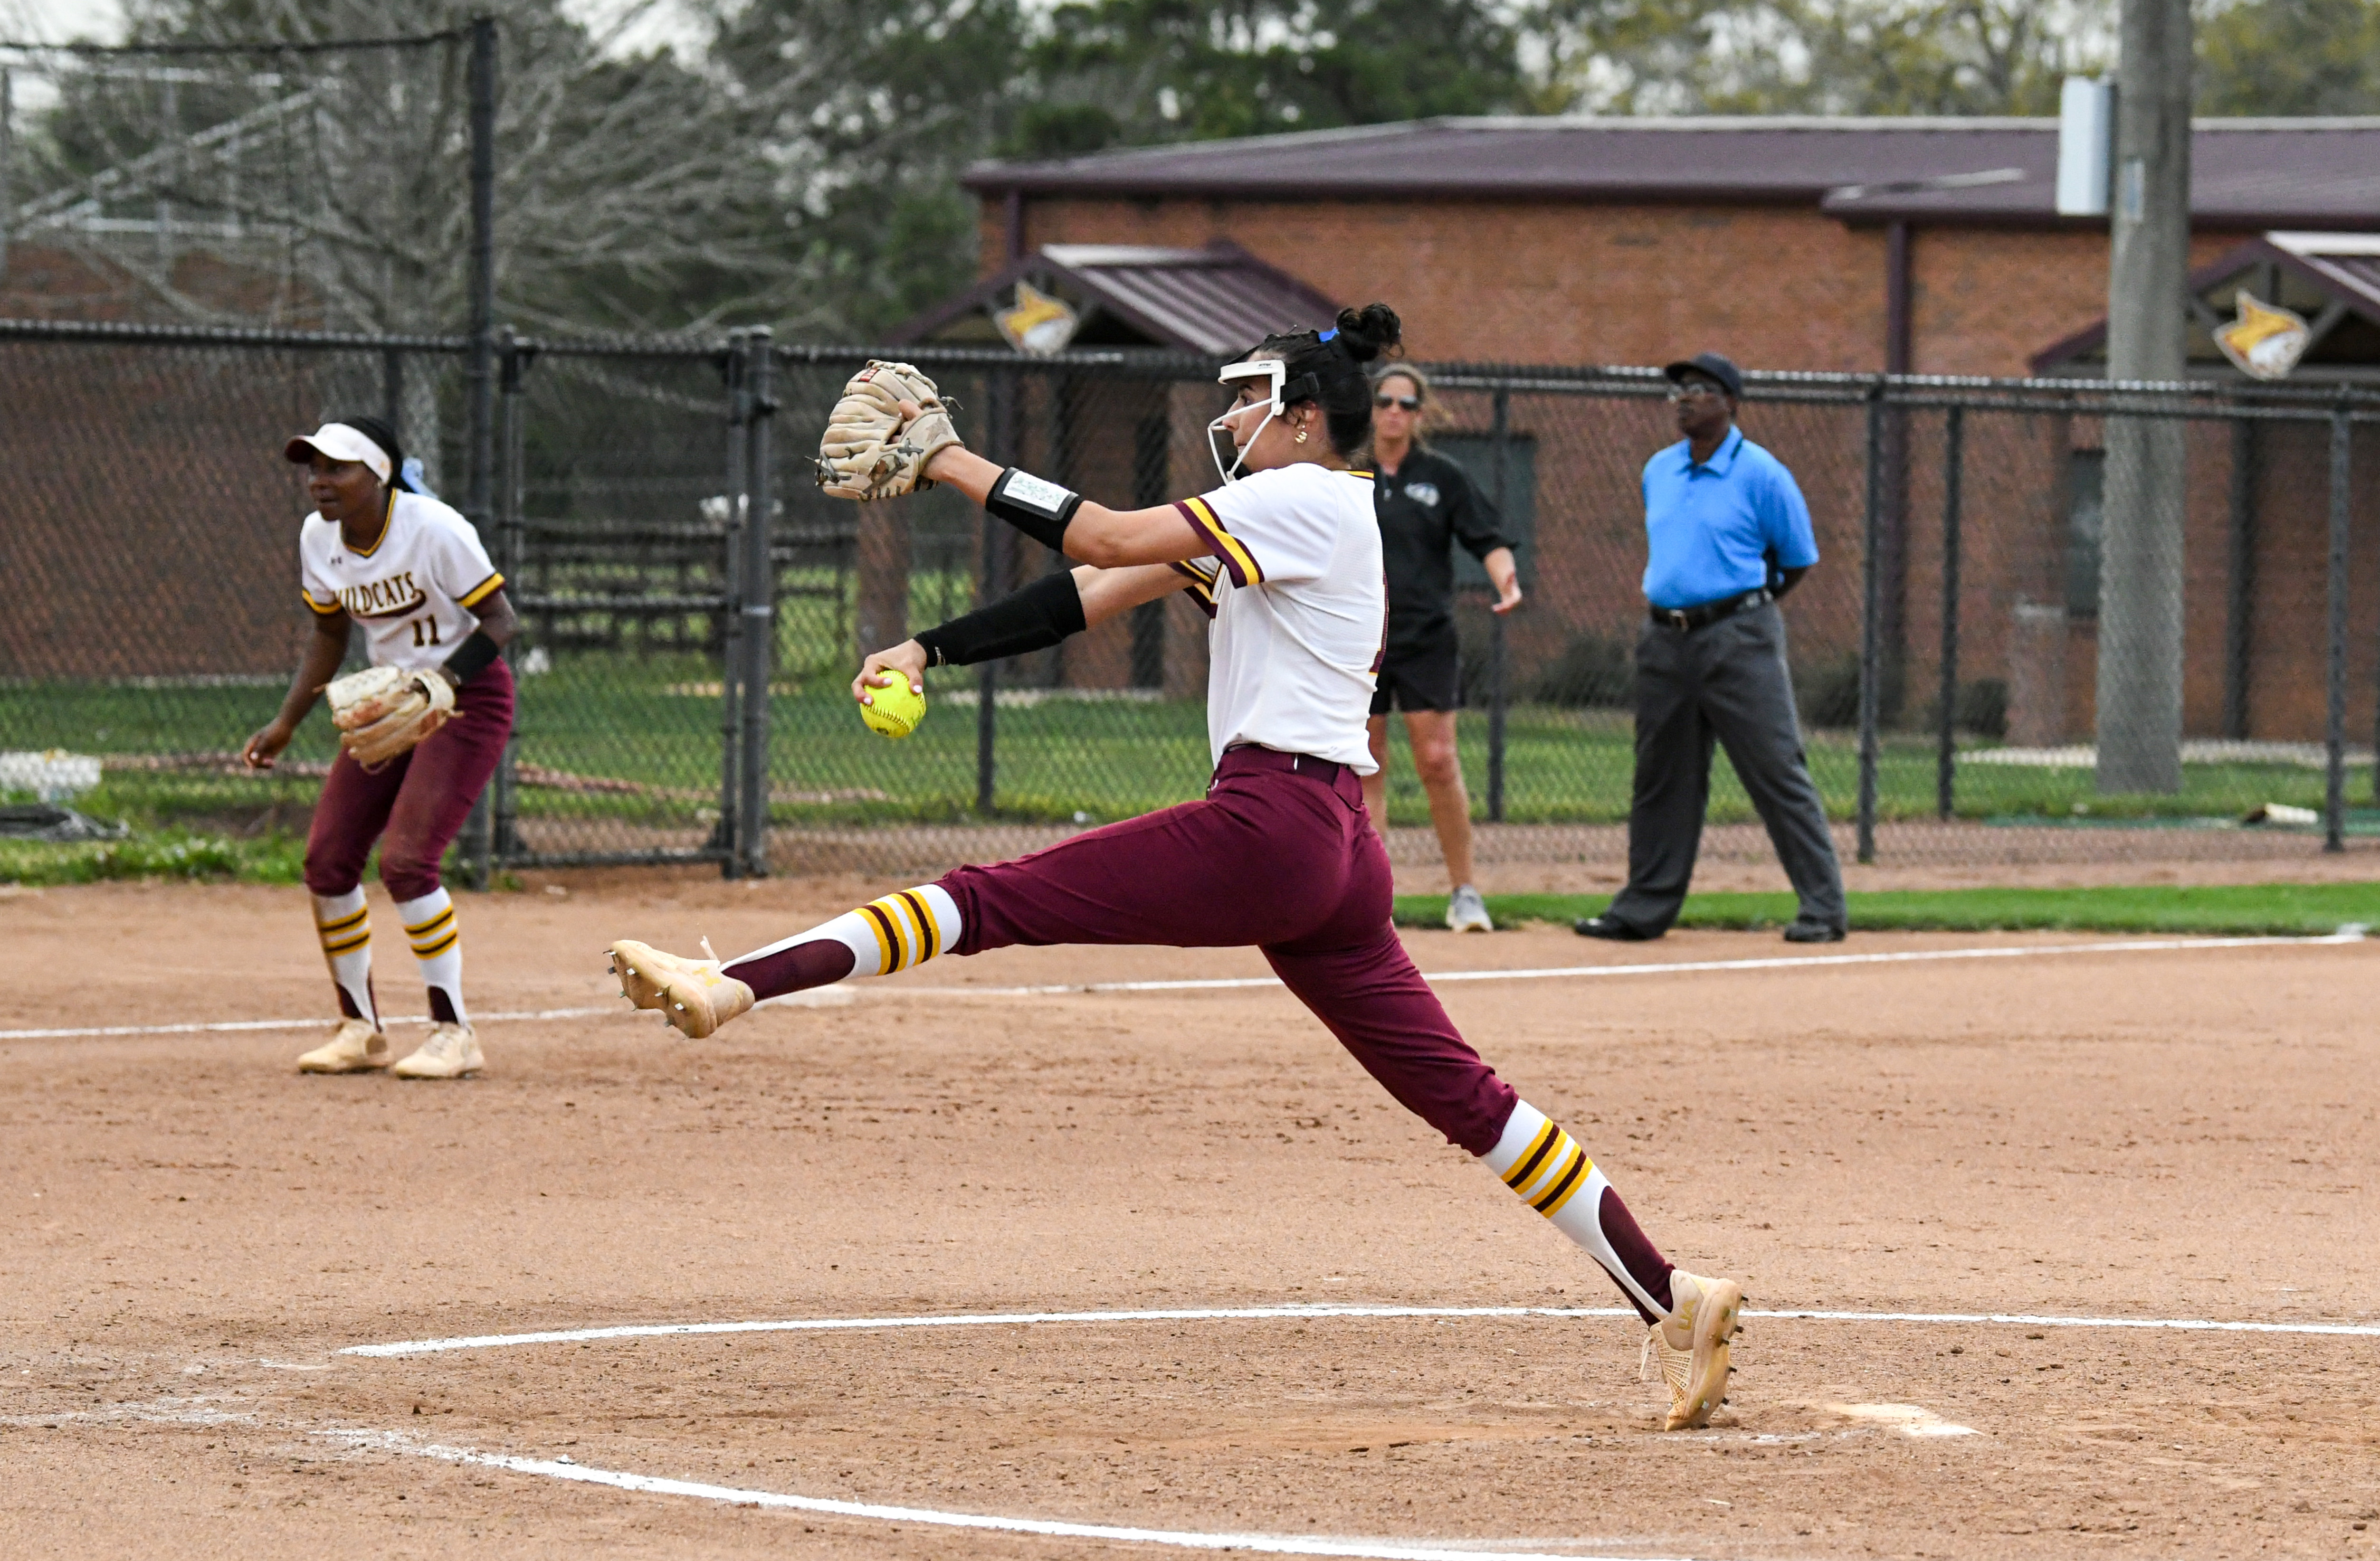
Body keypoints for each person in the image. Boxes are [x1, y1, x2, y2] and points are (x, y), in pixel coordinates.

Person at [608, 306, 1749, 1430]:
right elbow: (1085, 593)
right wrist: (927, 647)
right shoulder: (1299, 512)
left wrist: (949, 459)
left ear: (1306, 415)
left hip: (1271, 823)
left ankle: (733, 983)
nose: (1233, 416)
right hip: (1334, 845)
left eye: (1250, 397)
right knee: (1467, 1098)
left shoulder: (1302, 496)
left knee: (983, 897)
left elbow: (1103, 535)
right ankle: (1671, 1295)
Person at [243, 417, 520, 1079]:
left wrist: (443, 681)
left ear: (379, 474)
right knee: (328, 859)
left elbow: (502, 620)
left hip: (468, 697)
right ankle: (360, 1029)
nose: (320, 481)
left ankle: (454, 1032)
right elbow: (329, 635)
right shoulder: (318, 538)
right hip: (389, 703)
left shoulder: (433, 528)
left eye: (336, 468)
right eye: (313, 469)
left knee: (407, 862)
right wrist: (286, 722)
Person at [1574, 353, 1848, 946]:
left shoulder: (1762, 473)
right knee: (1661, 777)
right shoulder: (1660, 470)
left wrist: (1740, 609)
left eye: (1700, 389)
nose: (1685, 399)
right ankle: (1643, 909)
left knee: (1776, 768)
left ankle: (1823, 908)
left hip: (1739, 639)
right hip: (1663, 641)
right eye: (1678, 390)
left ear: (1731, 402)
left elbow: (1796, 559)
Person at [1363, 362, 1522, 934]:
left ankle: (1464, 891)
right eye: (1385, 401)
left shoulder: (1442, 475)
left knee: (1437, 759)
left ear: (1421, 413)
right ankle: (1371, 901)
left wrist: (1506, 580)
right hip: (1359, 637)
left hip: (1426, 636)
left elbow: (1488, 538)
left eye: (1406, 404)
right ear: (1371, 407)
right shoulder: (1344, 472)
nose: (1394, 412)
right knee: (1367, 761)